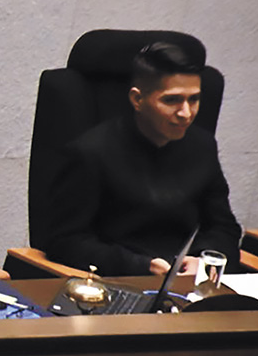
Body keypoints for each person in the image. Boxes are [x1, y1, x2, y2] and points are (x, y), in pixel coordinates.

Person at [44, 41, 242, 277]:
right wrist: (141, 266)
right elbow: (64, 241)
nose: (186, 113)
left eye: (194, 99)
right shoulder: (91, 152)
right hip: (119, 281)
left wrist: (204, 258)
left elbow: (224, 226)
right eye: (171, 100)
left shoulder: (203, 146)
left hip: (189, 280)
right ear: (137, 100)